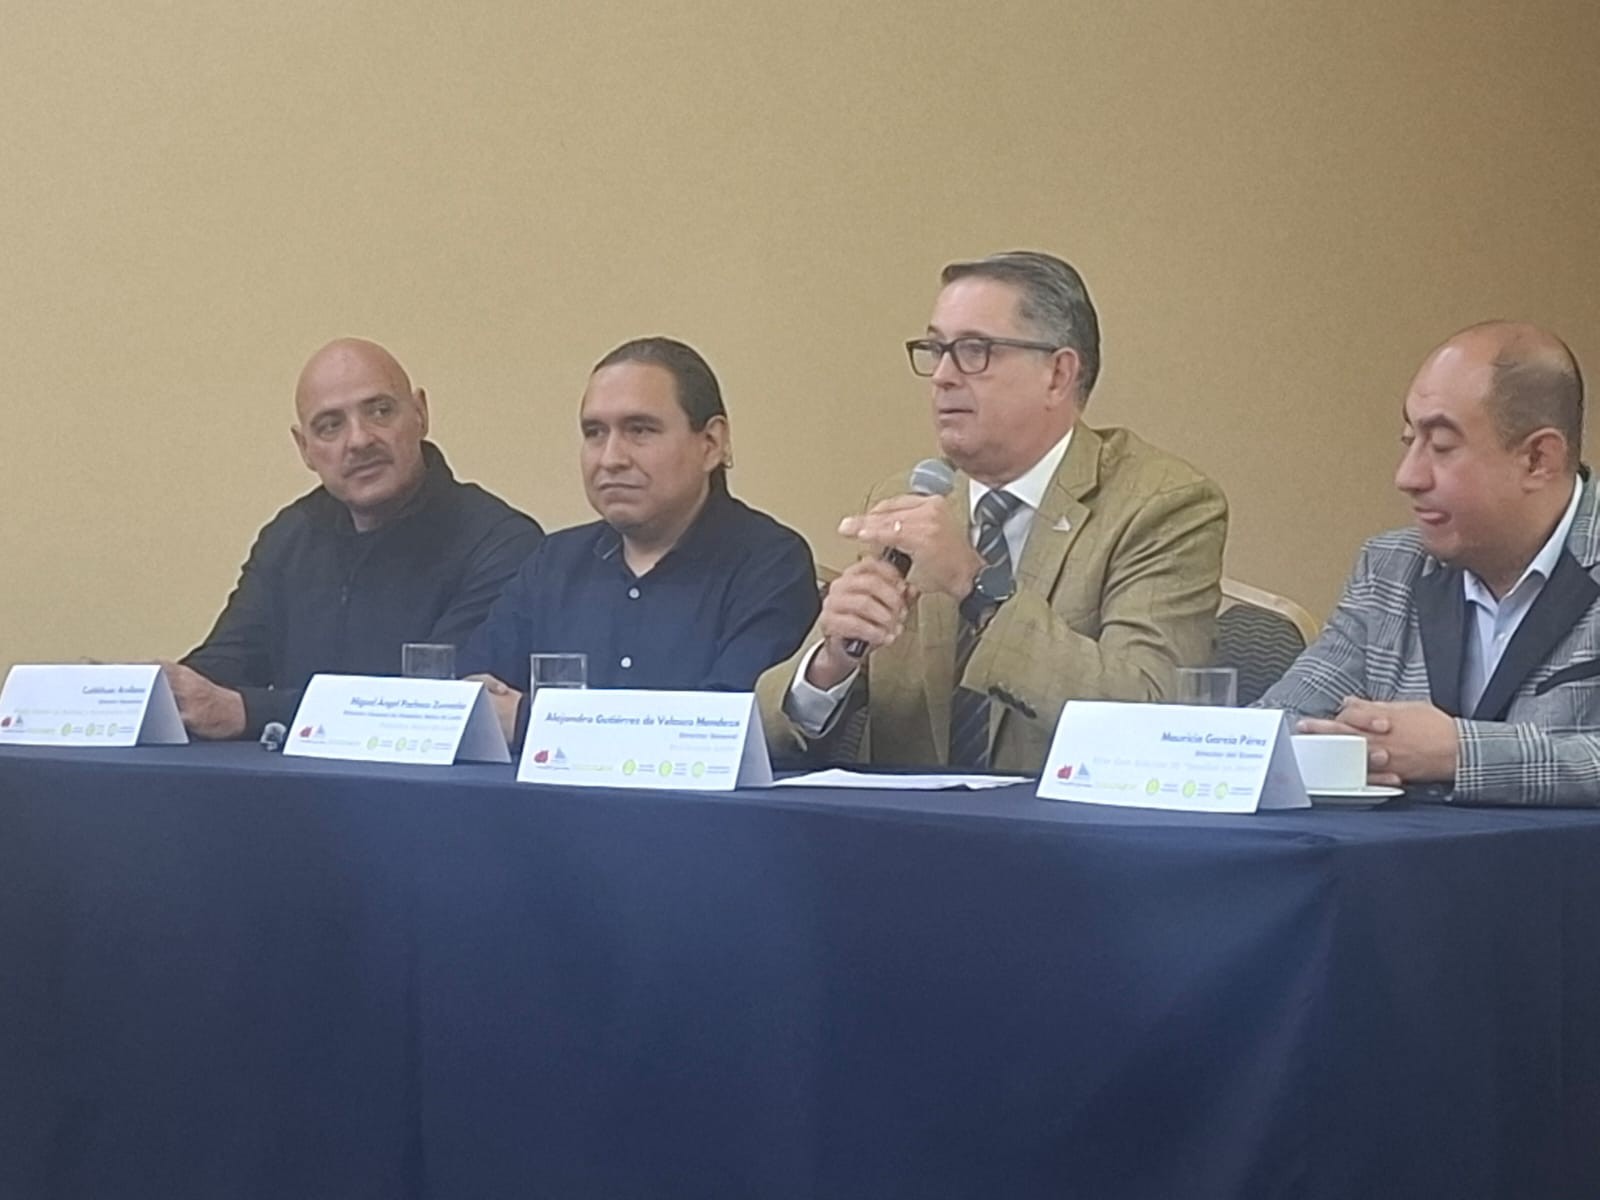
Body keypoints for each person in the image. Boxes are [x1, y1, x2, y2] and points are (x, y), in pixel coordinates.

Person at [757, 251, 1228, 772]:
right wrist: (832, 663)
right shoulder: (911, 499)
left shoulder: (1161, 505)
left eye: (974, 351)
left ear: (1058, 374)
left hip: (1067, 821)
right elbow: (769, 735)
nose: (942, 376)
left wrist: (975, 585)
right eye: (936, 350)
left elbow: (1150, 716)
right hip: (908, 821)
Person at [1262, 321, 1599, 805]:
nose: (1407, 477)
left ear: (1537, 459)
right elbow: (1274, 723)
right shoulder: (1391, 569)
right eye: (1409, 442)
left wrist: (1460, 753)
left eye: (1441, 446)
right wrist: (1344, 748)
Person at [164, 338, 543, 739]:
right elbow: (225, 665)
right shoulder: (292, 535)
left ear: (420, 414)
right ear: (304, 448)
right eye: (331, 426)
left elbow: (429, 706)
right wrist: (154, 691)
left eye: (380, 411)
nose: (359, 440)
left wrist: (249, 712)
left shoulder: (501, 543)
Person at [458, 337, 820, 743]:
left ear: (711, 444)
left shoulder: (771, 564)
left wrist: (531, 721)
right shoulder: (554, 561)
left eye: (640, 430)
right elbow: (474, 695)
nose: (611, 458)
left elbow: (718, 729)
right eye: (594, 432)